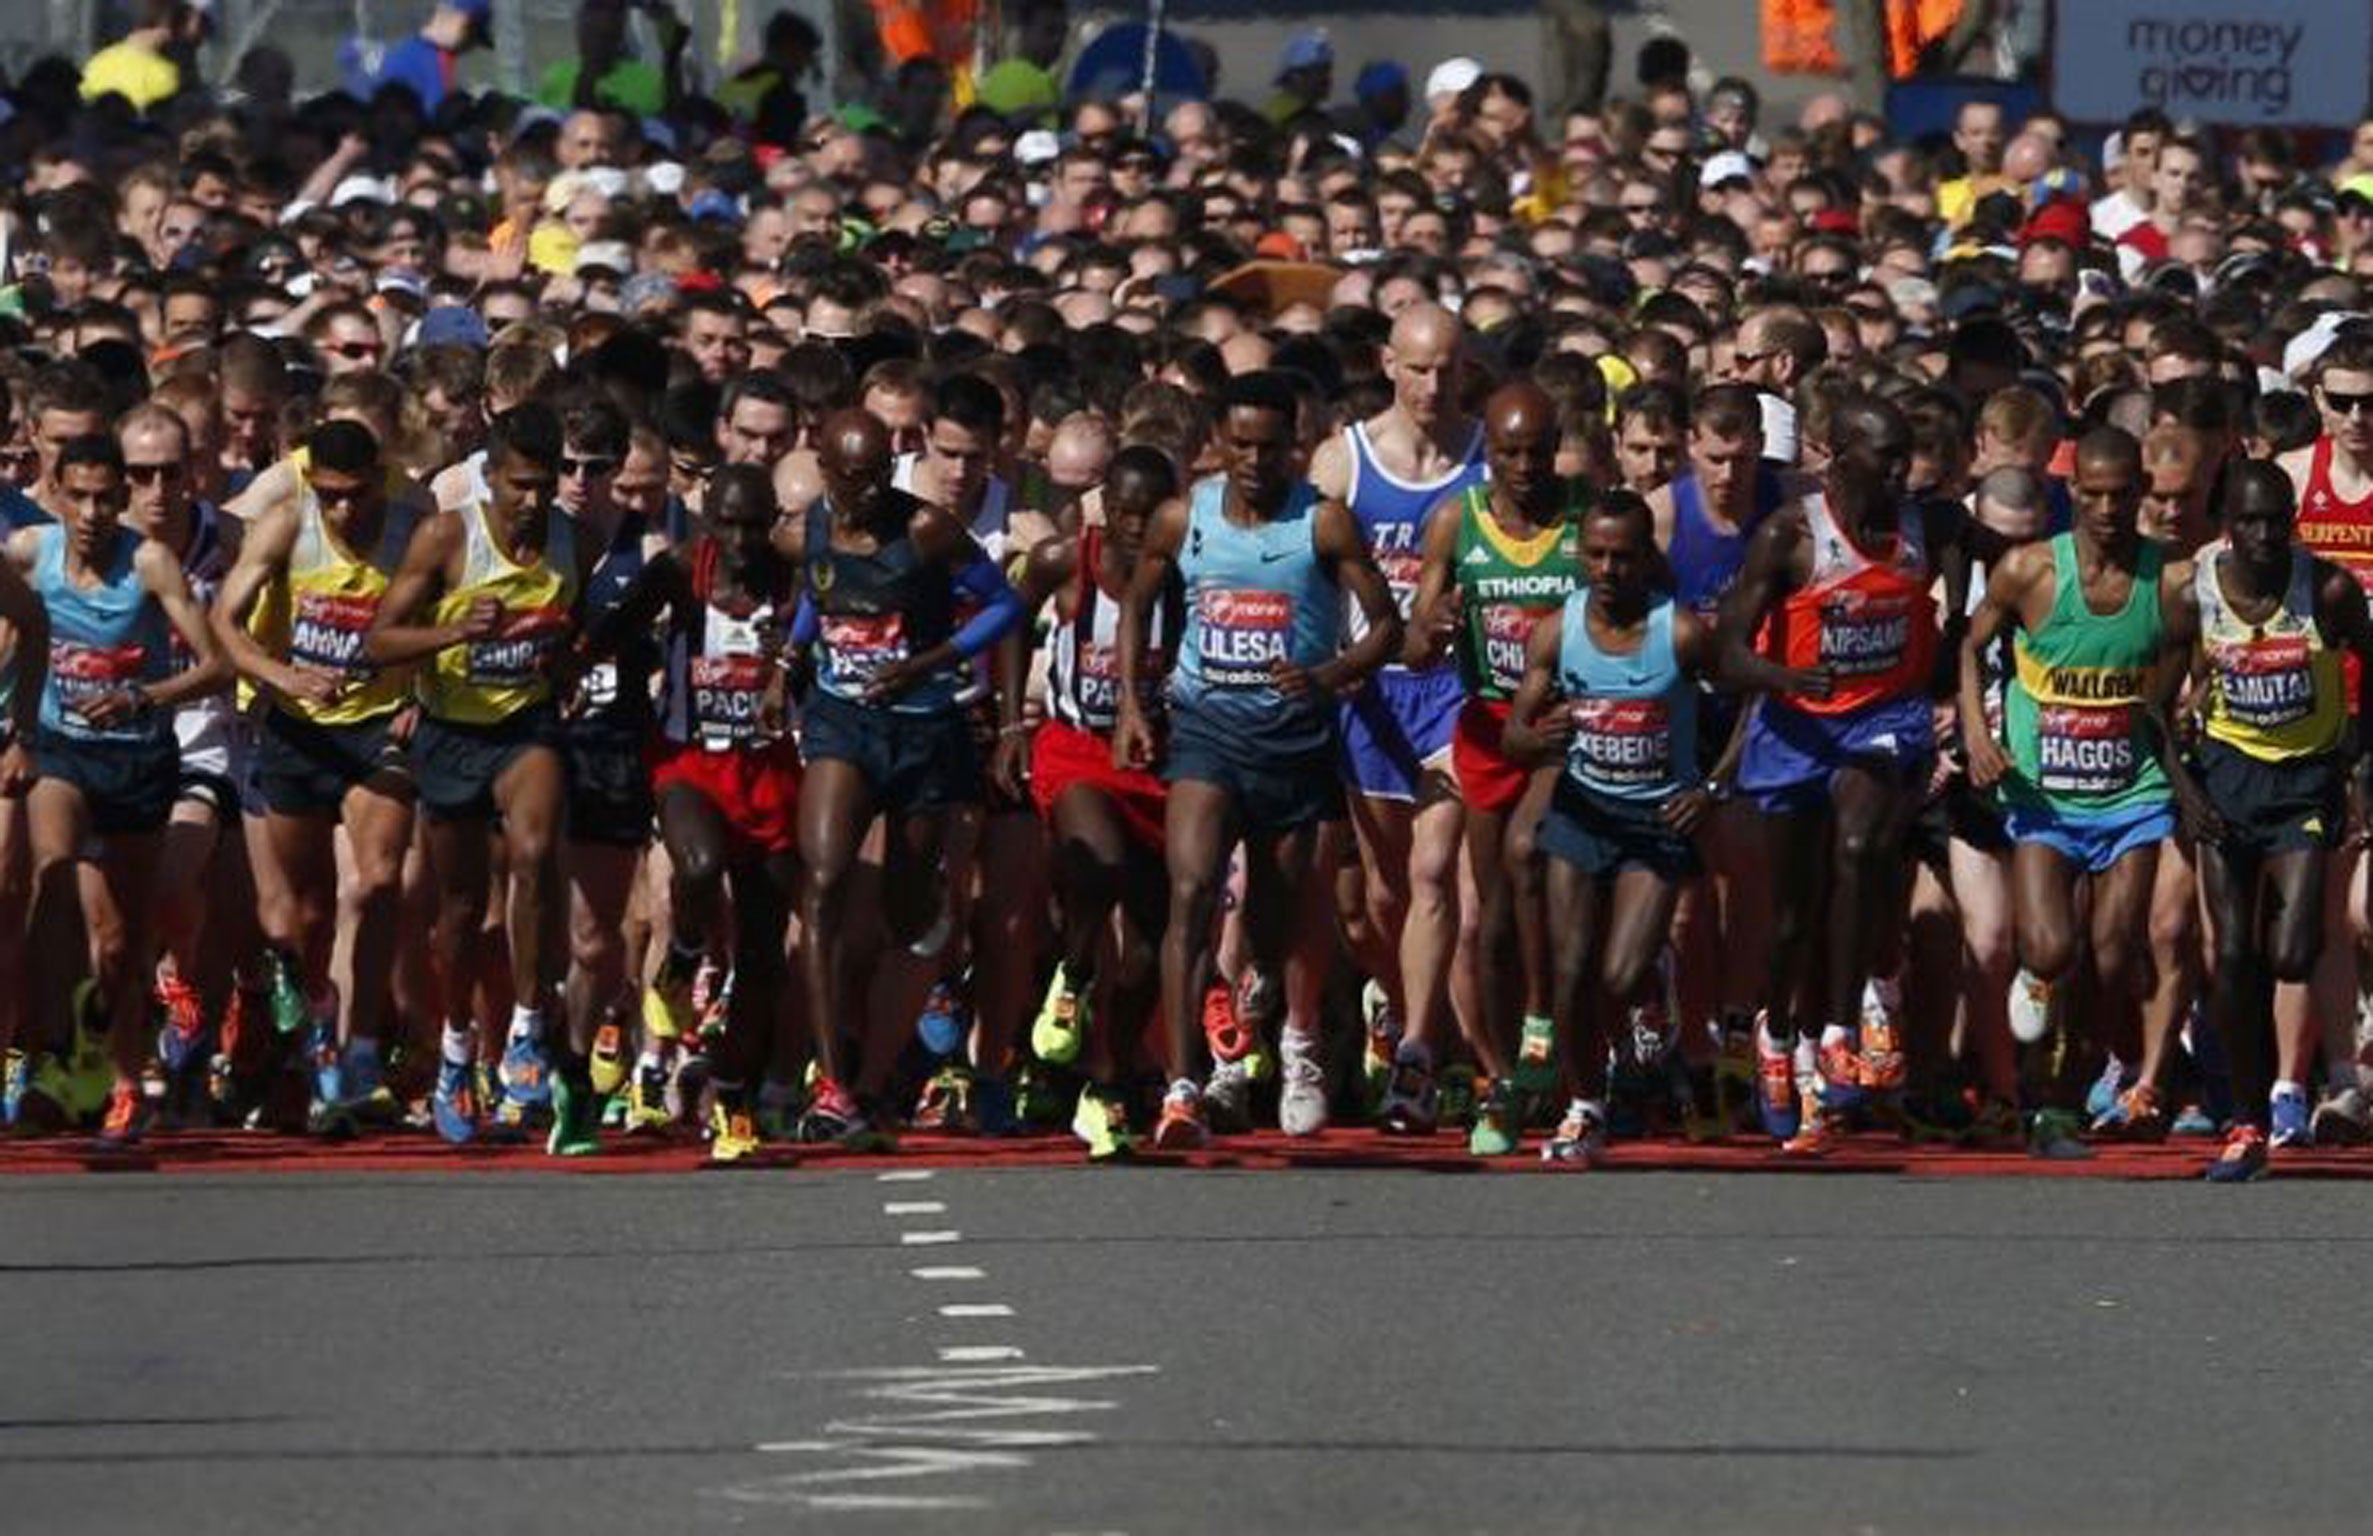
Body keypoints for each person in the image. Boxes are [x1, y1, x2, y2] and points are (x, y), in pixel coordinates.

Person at [1114, 371, 1401, 1150]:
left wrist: (1326, 676)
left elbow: (1385, 628)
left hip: (1292, 743)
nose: (1252, 460)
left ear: (1293, 447)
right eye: (1238, 443)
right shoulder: (1184, 516)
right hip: (1205, 734)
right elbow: (1136, 598)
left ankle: (1257, 991)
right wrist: (1135, 706)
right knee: (1192, 892)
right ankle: (1181, 1089)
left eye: (1268, 447)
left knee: (1270, 930)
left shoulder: (1324, 525)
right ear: (1218, 441)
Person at [1721, 395, 1961, 1155]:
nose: (1898, 471)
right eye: (1882, 457)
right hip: (1797, 727)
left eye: (1904, 456)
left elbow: (2023, 549)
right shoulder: (1790, 537)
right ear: (1836, 456)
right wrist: (1782, 676)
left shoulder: (1930, 526)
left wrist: (1964, 646)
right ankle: (1776, 1028)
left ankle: (1840, 1027)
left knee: (1859, 848)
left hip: (1883, 721)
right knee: (1793, 916)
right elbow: (1724, 650)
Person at [780, 409, 1027, 1147]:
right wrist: (786, 664)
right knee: (822, 881)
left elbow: (1004, 605)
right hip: (841, 721)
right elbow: (816, 599)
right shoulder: (802, 528)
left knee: (908, 908)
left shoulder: (926, 530)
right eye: (842, 481)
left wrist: (927, 663)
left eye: (868, 479)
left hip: (923, 727)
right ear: (822, 468)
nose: (856, 496)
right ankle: (832, 1086)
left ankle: (934, 975)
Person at [1960, 428, 2196, 1155]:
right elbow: (1970, 646)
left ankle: (2058, 1103)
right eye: (2089, 494)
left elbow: (2185, 655)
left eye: (2119, 494)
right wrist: (1976, 732)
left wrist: (2173, 704)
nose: (2104, 507)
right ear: (2071, 493)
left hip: (2131, 793)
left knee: (2114, 955)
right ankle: (2040, 1021)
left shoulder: (2170, 581)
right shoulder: (2028, 570)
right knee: (2048, 947)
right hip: (2044, 798)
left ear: (2140, 495)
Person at [365, 404, 588, 1154]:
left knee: (533, 850)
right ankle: (457, 1050)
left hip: (524, 729)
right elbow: (378, 639)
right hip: (451, 732)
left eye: (545, 483)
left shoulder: (569, 539)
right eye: (519, 484)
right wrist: (455, 629)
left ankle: (527, 1028)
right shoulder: (448, 535)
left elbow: (566, 631)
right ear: (489, 479)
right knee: (459, 911)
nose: (533, 499)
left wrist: (564, 669)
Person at [580, 464, 799, 1163]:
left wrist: (794, 655)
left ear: (772, 522)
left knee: (765, 954)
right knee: (699, 867)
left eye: (753, 525)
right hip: (688, 760)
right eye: (726, 523)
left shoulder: (795, 579)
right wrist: (562, 670)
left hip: (768, 772)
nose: (739, 539)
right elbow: (615, 631)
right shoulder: (680, 569)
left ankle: (732, 1092)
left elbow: (838, 646)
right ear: (706, 518)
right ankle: (682, 958)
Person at [13, 434, 224, 1149]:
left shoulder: (150, 562)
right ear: (57, 490)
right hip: (62, 751)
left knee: (120, 943)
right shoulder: (31, 553)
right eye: (80, 496)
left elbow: (218, 665)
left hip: (136, 760)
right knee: (54, 869)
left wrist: (144, 695)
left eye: (108, 496)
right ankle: (44, 1052)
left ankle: (124, 1078)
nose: (94, 512)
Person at [214, 420, 426, 1132]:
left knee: (375, 879)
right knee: (305, 912)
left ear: (380, 477)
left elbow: (446, 613)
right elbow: (223, 620)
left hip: (379, 726)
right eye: (329, 496)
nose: (343, 511)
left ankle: (363, 1049)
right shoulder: (284, 525)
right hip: (298, 730)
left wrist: (424, 696)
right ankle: (314, 1037)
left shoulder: (413, 520)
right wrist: (283, 676)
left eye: (356, 495)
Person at [1304, 303, 1484, 1134]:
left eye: (1447, 367)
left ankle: (1415, 1052)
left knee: (1432, 874)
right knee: (1380, 897)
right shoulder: (1345, 461)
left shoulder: (1487, 459)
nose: (1432, 384)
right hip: (1368, 696)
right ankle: (1409, 1001)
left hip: (1456, 692)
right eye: (1417, 367)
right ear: (1387, 364)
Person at [1503, 489, 1722, 1165]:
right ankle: (1583, 1105)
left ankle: (1650, 985)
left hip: (1654, 820)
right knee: (1570, 969)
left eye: (1621, 557)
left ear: (1644, 558)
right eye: (1594, 555)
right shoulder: (1557, 630)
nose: (1606, 569)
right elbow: (1513, 734)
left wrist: (1711, 787)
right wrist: (1540, 736)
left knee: (1619, 976)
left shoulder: (1680, 631)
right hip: (1580, 811)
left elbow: (1746, 704)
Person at [2177, 463, 2373, 1180]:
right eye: (2248, 520)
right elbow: (2150, 700)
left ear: (2292, 518)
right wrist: (2185, 786)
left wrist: (2355, 761)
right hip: (2226, 778)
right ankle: (2247, 1119)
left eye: (2275, 520)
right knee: (2230, 955)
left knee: (2289, 953)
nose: (2263, 535)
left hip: (2302, 781)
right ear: (2224, 522)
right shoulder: (2192, 594)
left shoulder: (2325, 589)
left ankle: (2269, 1075)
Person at [1406, 381, 1587, 1155]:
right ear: (1487, 450)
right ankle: (1502, 1077)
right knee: (1490, 919)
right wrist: (1432, 623)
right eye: (1507, 452)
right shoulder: (1456, 519)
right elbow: (1412, 640)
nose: (1522, 466)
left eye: (1535, 452)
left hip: (1561, 733)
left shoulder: (1586, 515)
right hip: (1486, 730)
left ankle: (1557, 1044)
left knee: (1536, 873)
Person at [1016, 445, 1182, 1159]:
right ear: (1103, 507)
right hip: (1076, 746)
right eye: (1123, 511)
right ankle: (1077, 969)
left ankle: (1106, 1085)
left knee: (1148, 942)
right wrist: (1005, 722)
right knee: (1099, 861)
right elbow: (1004, 617)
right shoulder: (1064, 559)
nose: (1136, 526)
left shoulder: (1190, 574)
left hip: (1158, 763)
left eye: (1150, 513)